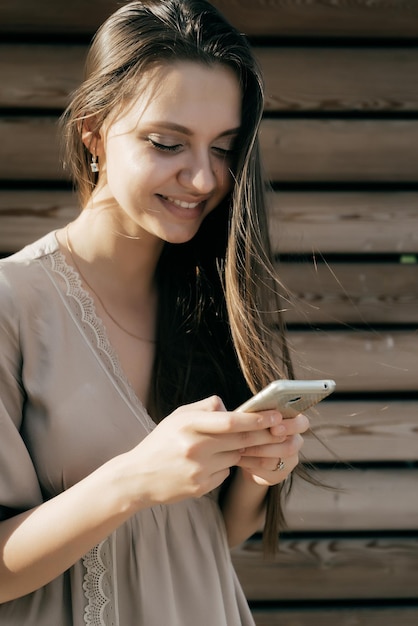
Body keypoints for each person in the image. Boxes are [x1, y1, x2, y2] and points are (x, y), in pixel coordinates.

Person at [0, 1, 310, 624]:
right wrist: (136, 477)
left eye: (224, 149)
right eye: (167, 143)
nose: (201, 178)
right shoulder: (14, 302)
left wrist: (260, 469)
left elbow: (205, 539)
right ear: (93, 131)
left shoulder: (212, 297)